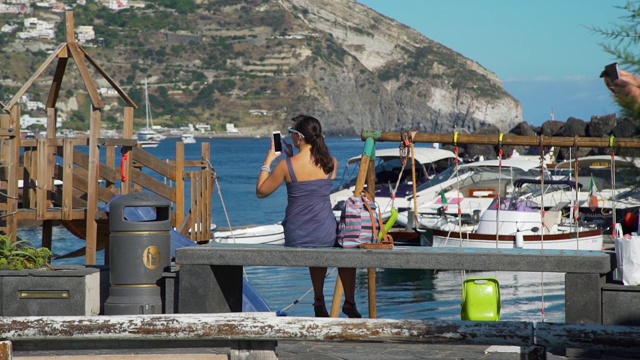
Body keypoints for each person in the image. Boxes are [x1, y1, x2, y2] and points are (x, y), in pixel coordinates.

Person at [256, 115, 361, 318]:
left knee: (317, 244)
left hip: (297, 235)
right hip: (325, 232)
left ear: (299, 138)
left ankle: (319, 299)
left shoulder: (287, 165)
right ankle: (349, 302)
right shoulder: (332, 163)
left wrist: (269, 160)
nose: (291, 136)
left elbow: (261, 192)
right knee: (345, 249)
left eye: (292, 133)